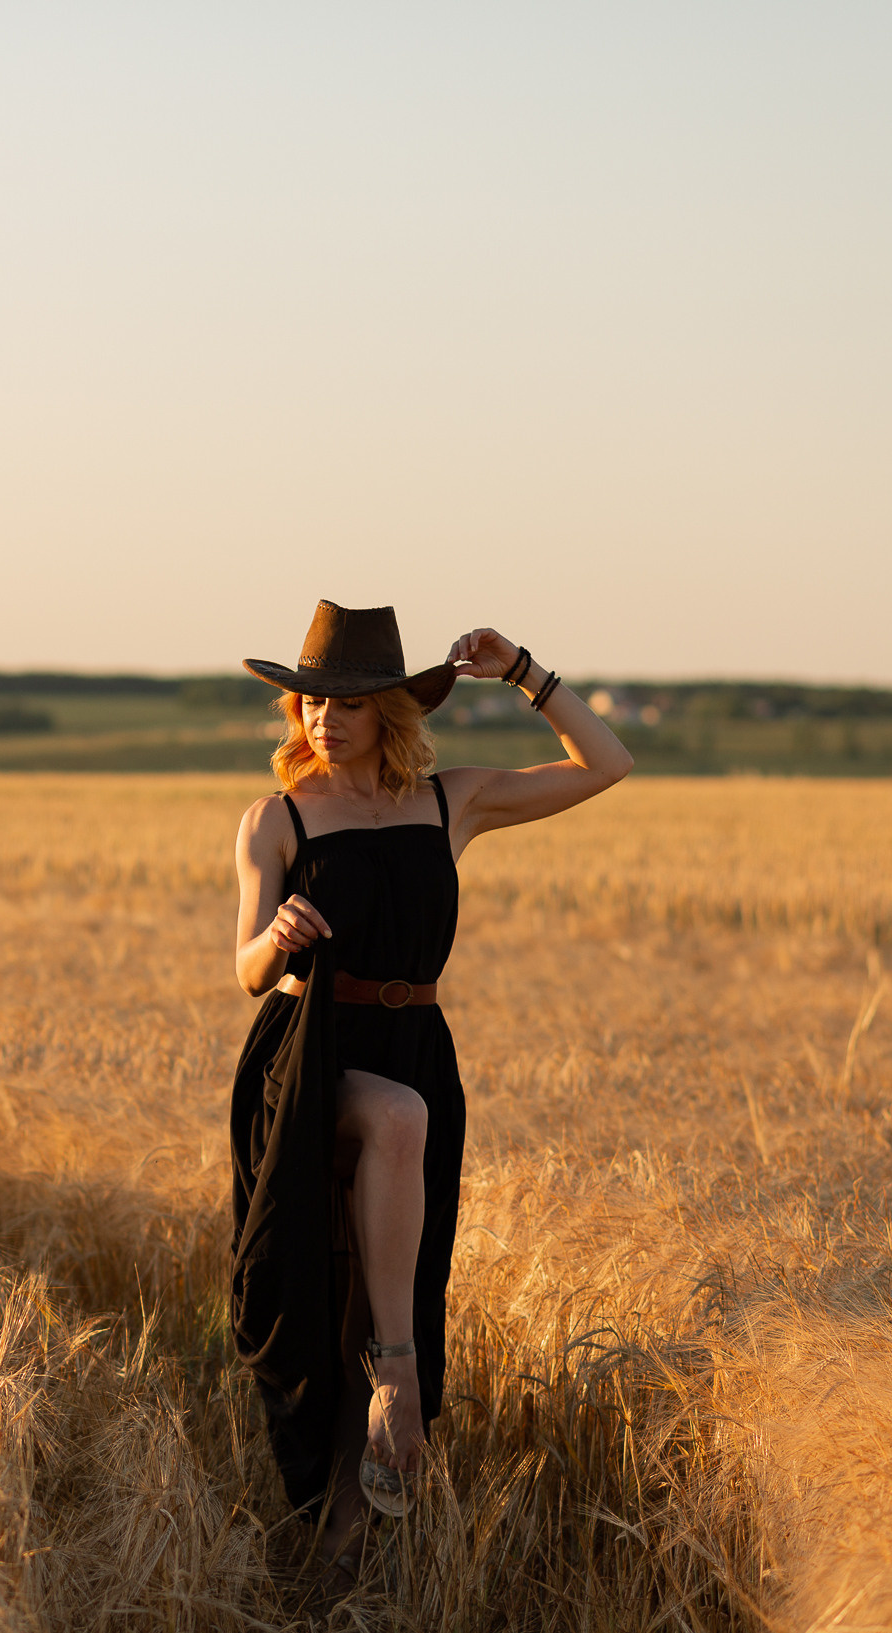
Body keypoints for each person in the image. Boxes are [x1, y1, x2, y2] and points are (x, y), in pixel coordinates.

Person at [227, 599, 632, 1578]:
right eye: (309, 702)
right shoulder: (275, 818)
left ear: (391, 711)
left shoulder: (450, 802)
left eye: (348, 702)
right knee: (393, 1126)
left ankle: (345, 1543)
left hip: (417, 1044)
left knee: (392, 1256)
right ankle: (396, 1379)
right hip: (309, 1052)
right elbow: (242, 969)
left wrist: (523, 672)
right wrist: (272, 939)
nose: (323, 719)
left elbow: (606, 763)